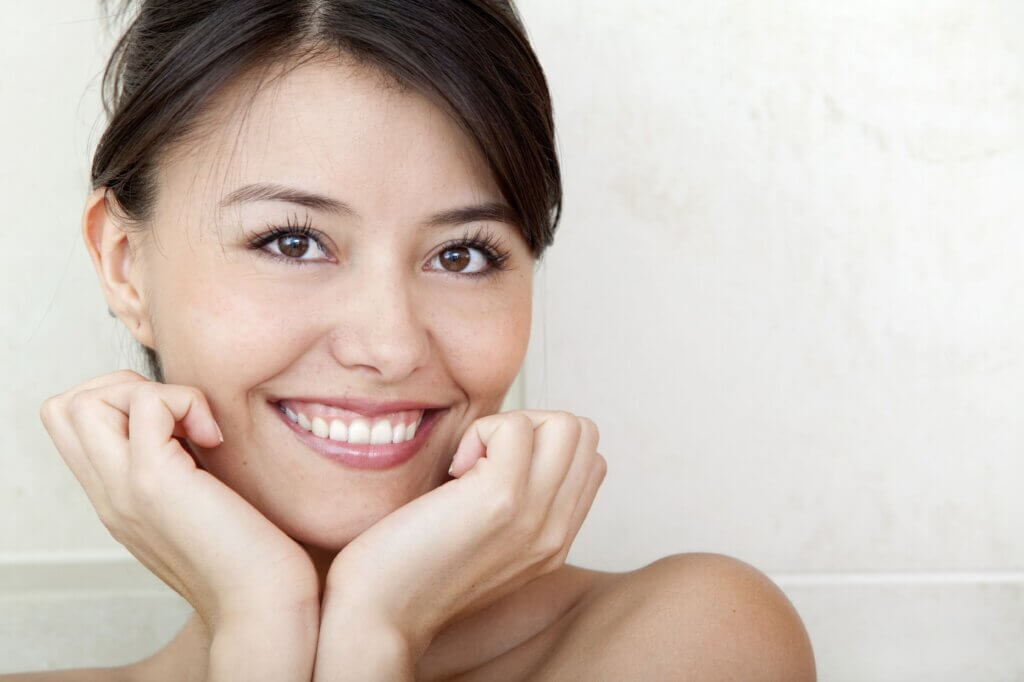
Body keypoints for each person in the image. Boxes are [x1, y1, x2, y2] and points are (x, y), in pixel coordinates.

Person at [11, 1, 816, 679]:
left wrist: (375, 631)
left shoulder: (691, 642)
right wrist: (263, 624)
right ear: (125, 263)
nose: (389, 345)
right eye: (294, 242)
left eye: (462, 254)